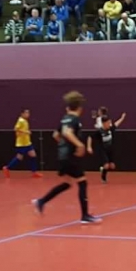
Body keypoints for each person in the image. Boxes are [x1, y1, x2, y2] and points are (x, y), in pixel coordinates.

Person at [33, 91, 100, 223]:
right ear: (80, 107)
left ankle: (41, 201)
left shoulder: (64, 119)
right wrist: (79, 145)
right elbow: (67, 132)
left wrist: (64, 145)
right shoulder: (74, 120)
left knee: (67, 183)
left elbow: (55, 135)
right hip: (71, 156)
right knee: (82, 182)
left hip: (62, 156)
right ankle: (85, 216)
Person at [3, 108, 41, 178]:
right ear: (22, 114)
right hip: (21, 143)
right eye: (26, 113)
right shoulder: (20, 120)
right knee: (19, 157)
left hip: (27, 142)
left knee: (33, 155)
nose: (28, 114)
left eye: (28, 113)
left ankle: (34, 172)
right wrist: (26, 132)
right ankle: (7, 168)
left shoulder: (25, 121)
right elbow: (16, 129)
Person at [95, 111, 126, 183]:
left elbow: (117, 123)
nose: (109, 124)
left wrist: (122, 118)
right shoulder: (100, 131)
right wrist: (89, 146)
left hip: (110, 150)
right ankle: (103, 177)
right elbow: (90, 138)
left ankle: (103, 168)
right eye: (108, 123)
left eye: (110, 122)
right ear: (103, 123)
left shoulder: (110, 129)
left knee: (112, 166)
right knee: (106, 165)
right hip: (103, 150)